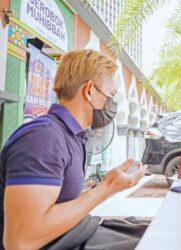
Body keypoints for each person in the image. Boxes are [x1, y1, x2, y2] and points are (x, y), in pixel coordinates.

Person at [0, 49, 147, 249]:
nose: (112, 104)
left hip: (74, 233)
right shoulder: (44, 138)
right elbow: (20, 241)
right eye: (110, 95)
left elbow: (59, 200)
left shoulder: (71, 136)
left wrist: (100, 185)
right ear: (89, 91)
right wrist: (107, 188)